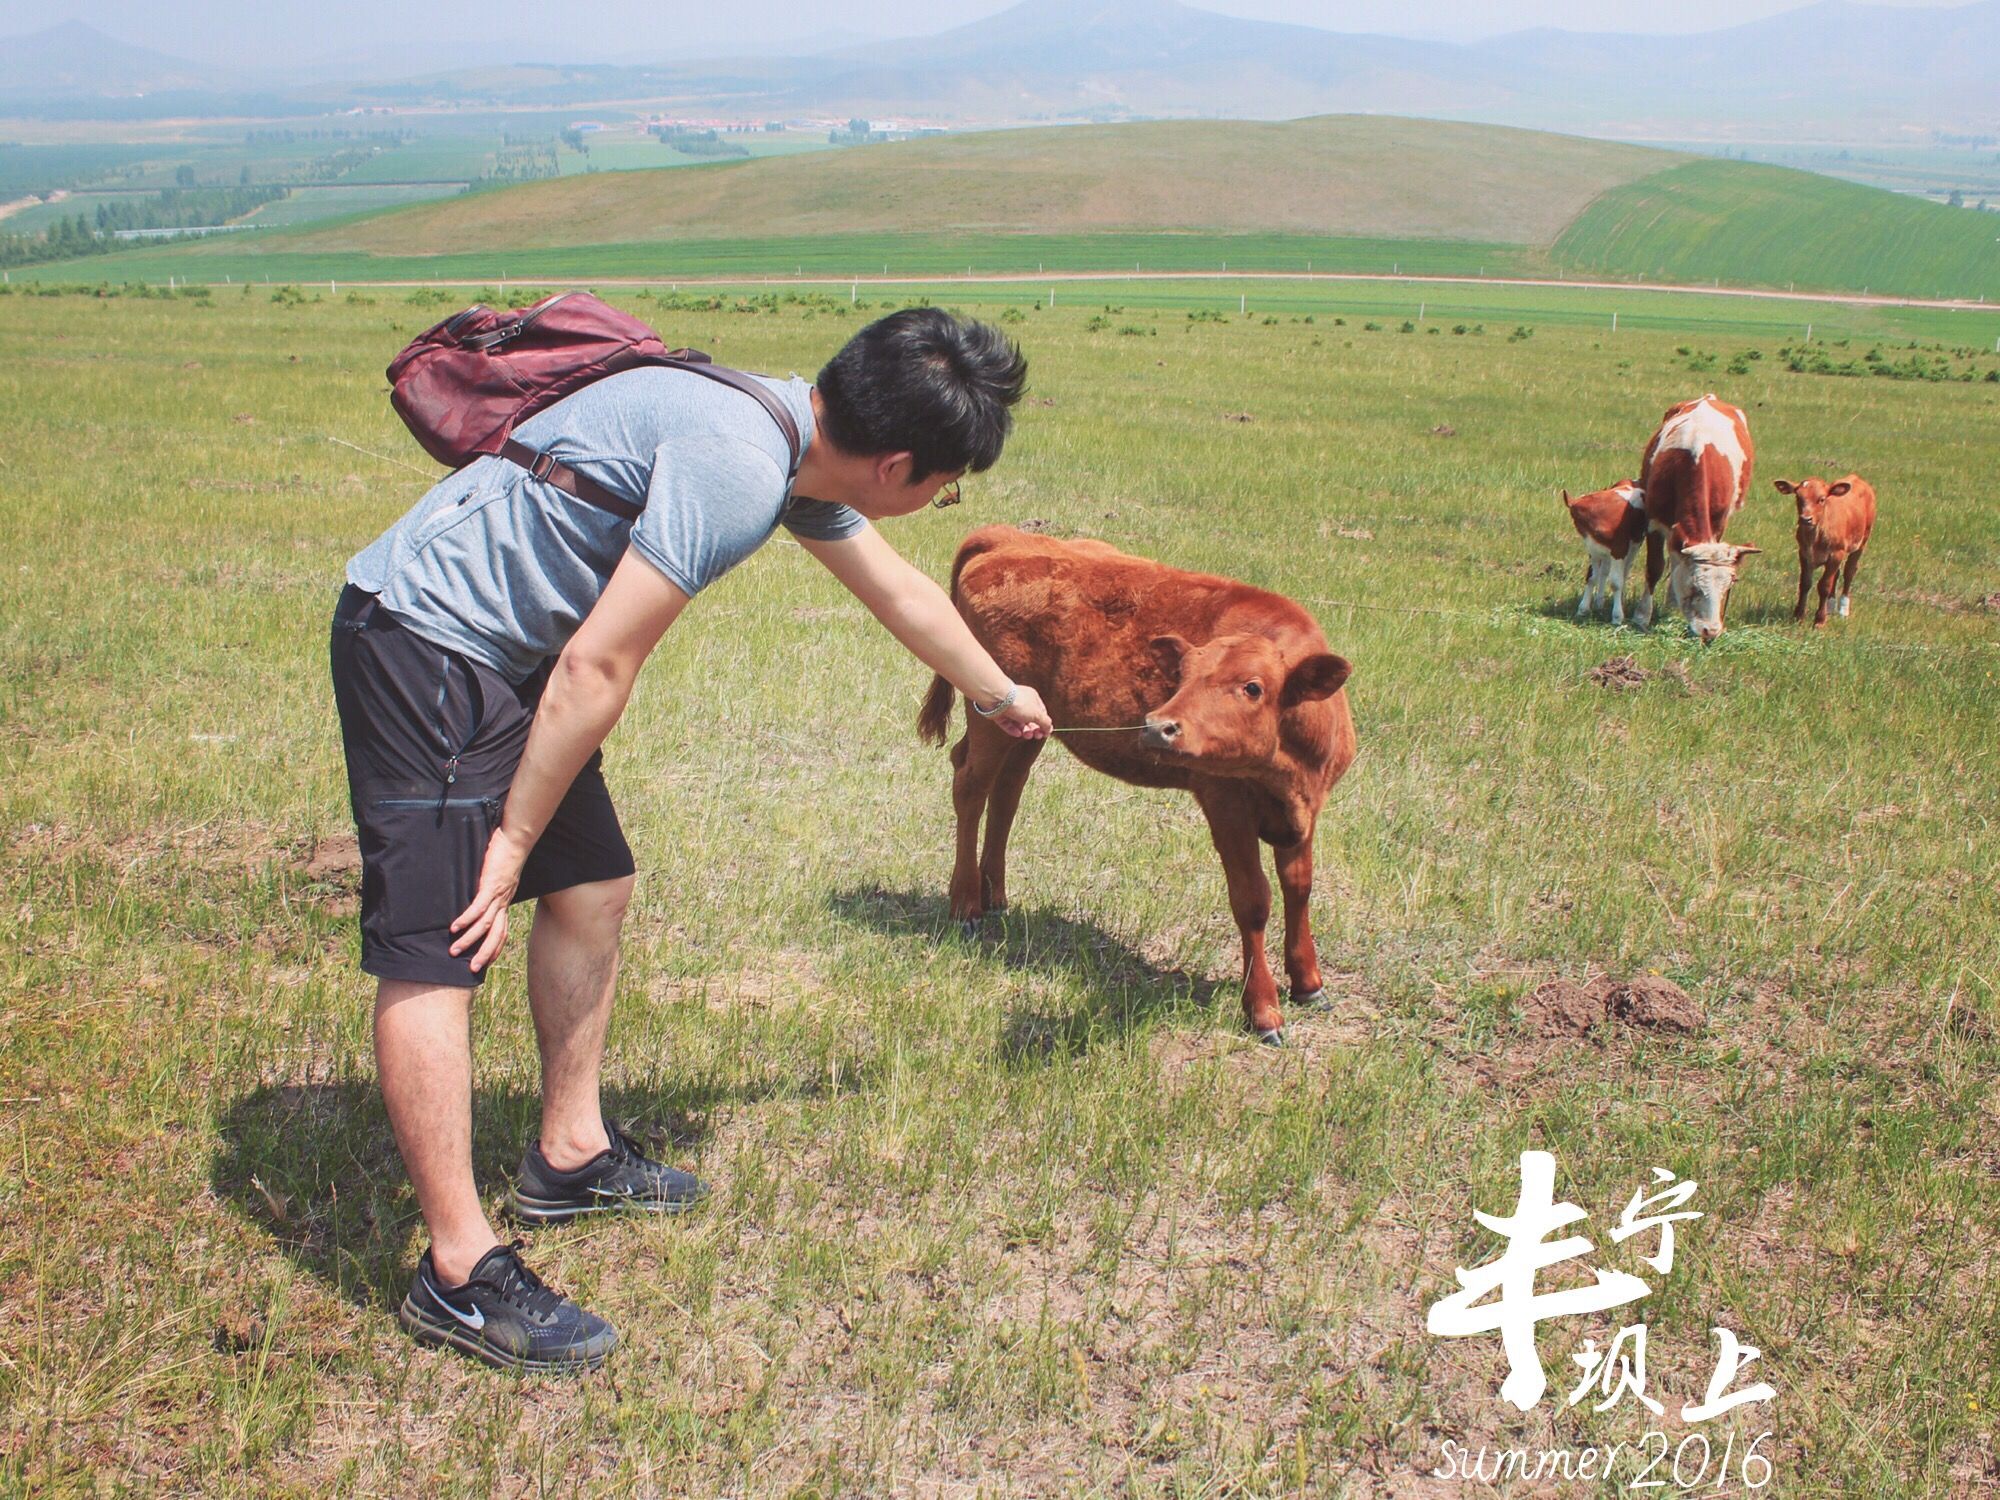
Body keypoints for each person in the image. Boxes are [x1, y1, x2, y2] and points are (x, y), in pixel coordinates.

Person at [329, 306, 1050, 1372]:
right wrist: (512, 838)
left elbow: (893, 587)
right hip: (428, 639)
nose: (944, 501)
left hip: (509, 652)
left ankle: (567, 1156)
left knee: (596, 885)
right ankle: (455, 1272)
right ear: (895, 463)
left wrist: (996, 694)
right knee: (443, 942)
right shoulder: (737, 465)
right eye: (947, 484)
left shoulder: (788, 434)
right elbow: (596, 670)